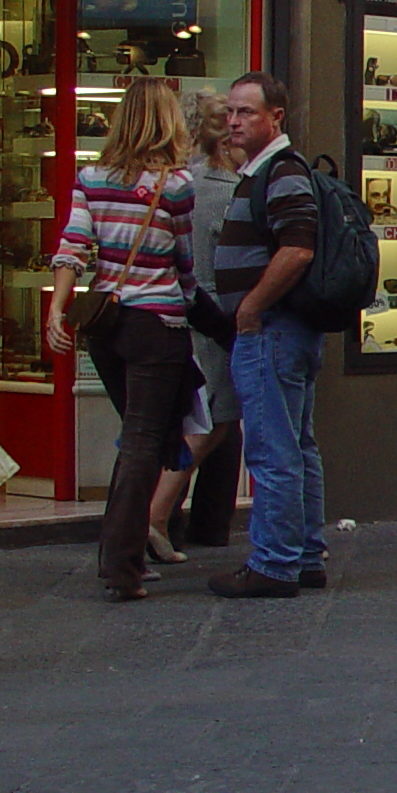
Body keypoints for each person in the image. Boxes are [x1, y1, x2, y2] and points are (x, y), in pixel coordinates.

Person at [45, 79, 197, 601]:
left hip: (106, 327)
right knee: (143, 443)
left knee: (135, 439)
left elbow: (72, 246)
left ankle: (121, 553)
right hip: (158, 325)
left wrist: (57, 310)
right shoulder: (175, 185)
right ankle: (121, 565)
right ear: (167, 120)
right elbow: (184, 262)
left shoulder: (91, 177)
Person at [209, 73, 326, 597]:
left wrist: (251, 308)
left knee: (273, 449)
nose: (234, 122)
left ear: (275, 117)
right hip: (281, 330)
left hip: (273, 331)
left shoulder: (280, 171)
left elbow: (297, 247)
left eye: (246, 113)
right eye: (231, 112)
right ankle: (302, 555)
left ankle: (276, 563)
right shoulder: (262, 171)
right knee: (296, 446)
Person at [148, 92, 242, 555]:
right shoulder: (222, 189)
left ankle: (159, 518)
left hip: (178, 313)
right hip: (213, 317)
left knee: (196, 421)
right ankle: (156, 517)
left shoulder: (177, 180)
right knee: (214, 423)